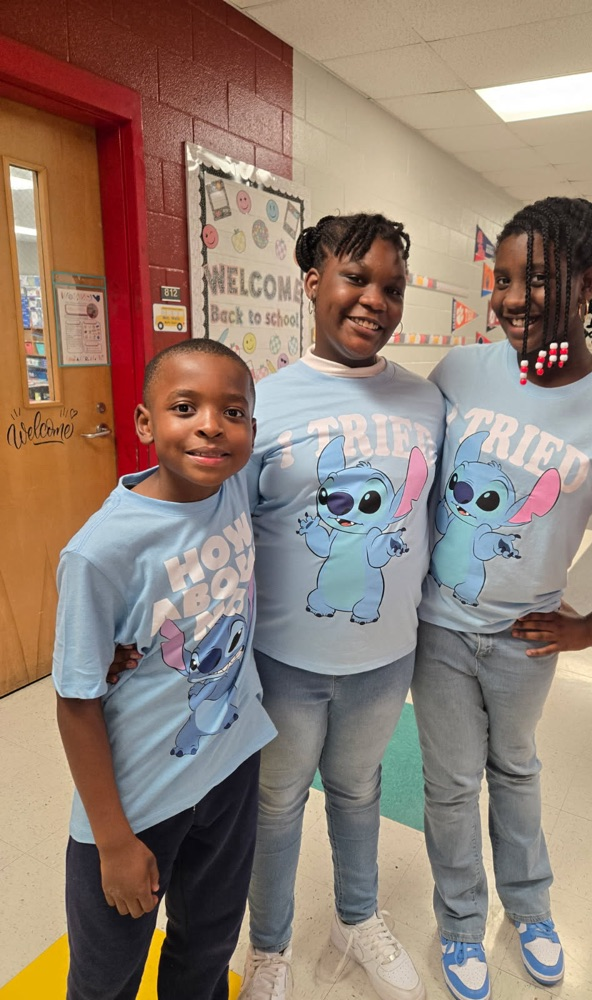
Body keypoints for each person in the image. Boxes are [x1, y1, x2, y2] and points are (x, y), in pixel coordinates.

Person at [411, 197, 592, 998]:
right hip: (438, 628)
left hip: (524, 637)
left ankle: (531, 909)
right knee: (449, 785)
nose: (511, 299)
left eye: (535, 280)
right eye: (502, 279)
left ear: (586, 281)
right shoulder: (462, 370)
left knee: (514, 768)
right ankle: (460, 922)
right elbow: (415, 477)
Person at [239, 213, 445, 1000]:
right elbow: (222, 535)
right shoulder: (261, 403)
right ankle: (269, 948)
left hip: (383, 659)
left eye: (392, 287)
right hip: (283, 663)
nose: (374, 301)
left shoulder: (425, 403)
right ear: (312, 282)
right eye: (356, 278)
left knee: (359, 791)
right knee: (277, 802)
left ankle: (356, 919)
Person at [53, 339, 277, 1000]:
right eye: (185, 408)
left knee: (207, 946)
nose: (211, 426)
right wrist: (113, 841)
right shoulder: (100, 552)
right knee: (106, 976)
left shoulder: (231, 485)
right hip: (137, 803)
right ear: (145, 423)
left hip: (230, 765)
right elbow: (75, 701)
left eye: (232, 412)